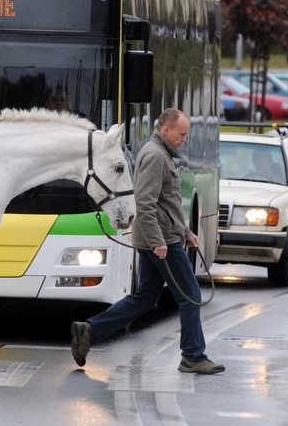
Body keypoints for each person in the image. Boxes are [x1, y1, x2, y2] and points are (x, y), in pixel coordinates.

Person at [70, 108, 225, 375]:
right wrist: (158, 241)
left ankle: (89, 331)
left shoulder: (160, 153)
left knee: (144, 298)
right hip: (162, 240)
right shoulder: (155, 156)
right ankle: (193, 355)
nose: (184, 139)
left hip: (163, 236)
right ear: (166, 130)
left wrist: (186, 232)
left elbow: (167, 203)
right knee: (190, 296)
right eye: (182, 134)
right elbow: (145, 202)